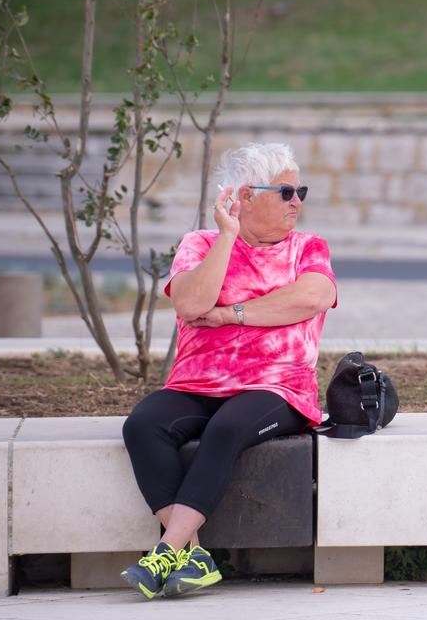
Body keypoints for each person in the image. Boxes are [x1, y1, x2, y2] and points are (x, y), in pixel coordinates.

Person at [119, 142, 337, 599]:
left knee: (226, 428)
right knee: (143, 425)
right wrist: (225, 237)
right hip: (198, 383)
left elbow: (312, 297)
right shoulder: (199, 243)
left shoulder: (307, 248)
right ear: (244, 196)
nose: (297, 199)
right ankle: (193, 555)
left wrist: (229, 313)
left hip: (279, 387)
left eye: (300, 190)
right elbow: (191, 302)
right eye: (285, 190)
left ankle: (165, 550)